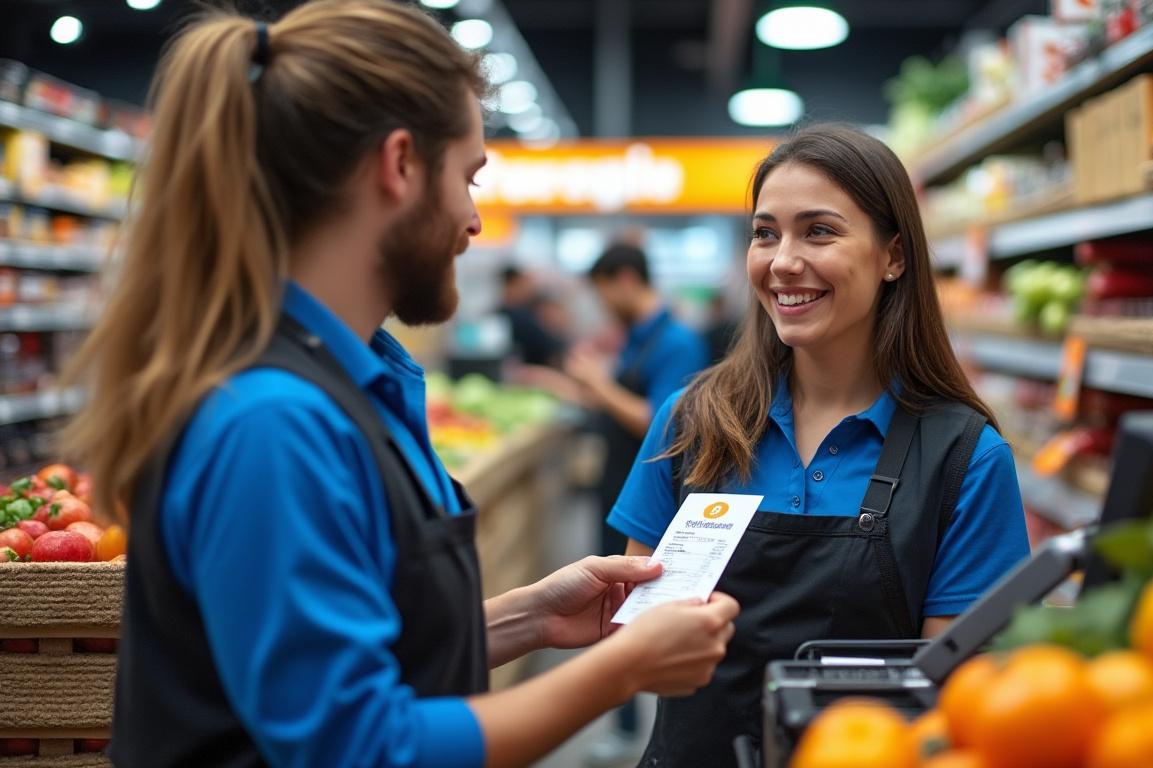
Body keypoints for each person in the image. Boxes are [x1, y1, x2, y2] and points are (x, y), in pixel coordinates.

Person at [61, 4, 738, 767]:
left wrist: (528, 618)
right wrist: (623, 670)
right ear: (401, 165)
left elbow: (343, 659)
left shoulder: (350, 383)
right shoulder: (274, 422)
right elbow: (358, 747)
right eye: (469, 176)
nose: (476, 220)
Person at [607, 125, 1030, 766]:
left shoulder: (964, 458)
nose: (782, 261)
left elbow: (962, 701)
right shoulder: (693, 422)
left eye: (820, 231)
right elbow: (635, 644)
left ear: (894, 256)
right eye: (765, 232)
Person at [562, 243, 709, 761]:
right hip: (619, 489)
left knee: (633, 607)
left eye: (603, 293)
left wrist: (599, 387)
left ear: (625, 279)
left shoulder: (678, 342)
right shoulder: (635, 339)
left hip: (653, 502)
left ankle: (638, 728)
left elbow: (666, 423)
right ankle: (624, 721)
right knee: (612, 608)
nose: (601, 305)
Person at [499, 265, 567, 367]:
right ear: (512, 284)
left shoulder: (502, 313)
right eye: (523, 284)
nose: (528, 288)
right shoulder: (519, 316)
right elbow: (549, 347)